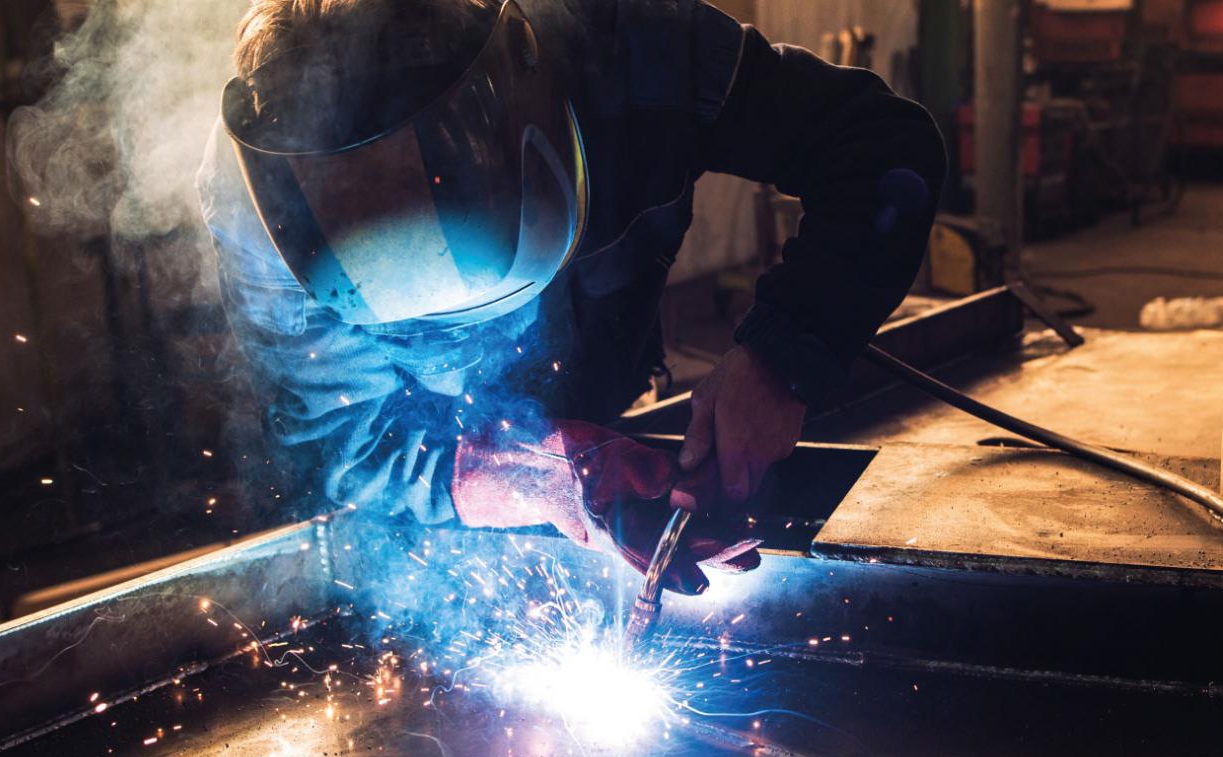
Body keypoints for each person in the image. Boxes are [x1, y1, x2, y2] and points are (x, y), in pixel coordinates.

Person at [199, 0, 944, 595]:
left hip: (614, 376)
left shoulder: (631, 47)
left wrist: (785, 357)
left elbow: (880, 146)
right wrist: (550, 478)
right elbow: (344, 446)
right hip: (462, 506)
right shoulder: (261, 214)